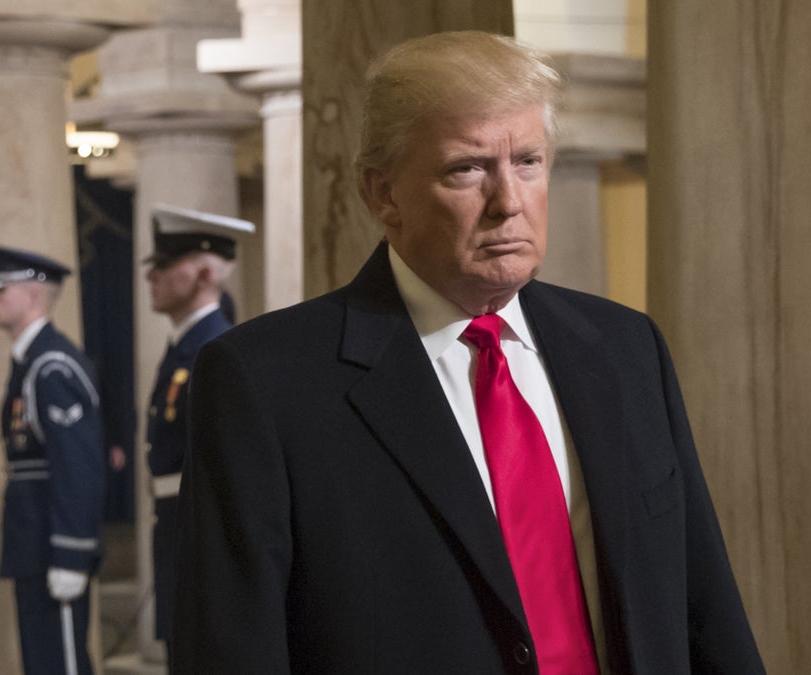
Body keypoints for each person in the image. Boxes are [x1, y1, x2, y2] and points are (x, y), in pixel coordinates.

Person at [174, 31, 764, 674]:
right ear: (382, 193)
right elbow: (231, 649)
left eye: (529, 162)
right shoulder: (267, 383)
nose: (508, 202)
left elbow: (703, 601)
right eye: (468, 168)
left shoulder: (626, 347)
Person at [142, 204, 253, 662]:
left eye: (166, 266)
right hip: (177, 525)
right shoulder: (186, 347)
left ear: (205, 272)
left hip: (201, 536)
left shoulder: (215, 350)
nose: (153, 277)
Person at [0, 245, 105, 675]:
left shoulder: (52, 367)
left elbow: (78, 468)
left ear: (34, 295)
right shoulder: (31, 362)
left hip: (51, 540)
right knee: (42, 660)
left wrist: (72, 554)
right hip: (32, 536)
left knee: (62, 663)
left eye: (1, 288)